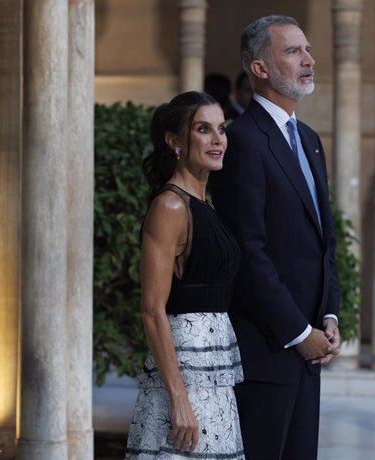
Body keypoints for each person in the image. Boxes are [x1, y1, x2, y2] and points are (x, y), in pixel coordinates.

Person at [210, 15, 341, 460]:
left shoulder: (308, 138)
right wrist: (297, 331)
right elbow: (249, 252)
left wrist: (329, 316)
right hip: (267, 349)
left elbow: (325, 241)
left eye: (307, 50)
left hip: (310, 348)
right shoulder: (243, 142)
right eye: (293, 52)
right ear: (260, 68)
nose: (309, 60)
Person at [125, 91, 245, 460]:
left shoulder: (204, 206)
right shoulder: (170, 206)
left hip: (214, 372)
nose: (217, 140)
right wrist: (178, 398)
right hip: (185, 375)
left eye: (221, 129)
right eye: (203, 129)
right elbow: (151, 309)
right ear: (174, 141)